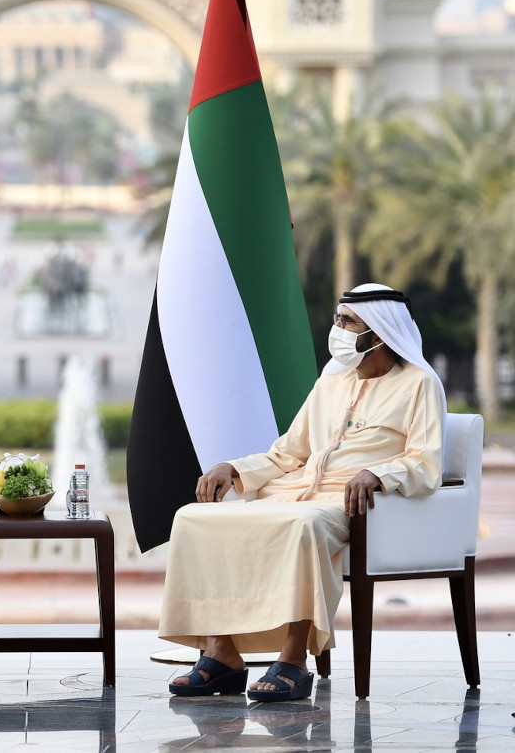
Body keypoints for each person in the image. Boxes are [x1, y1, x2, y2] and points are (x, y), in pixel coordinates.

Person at [159, 283, 445, 701]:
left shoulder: (419, 384)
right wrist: (233, 468)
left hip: (349, 503)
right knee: (196, 518)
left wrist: (377, 473)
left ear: (379, 333)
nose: (337, 329)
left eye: (347, 322)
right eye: (338, 319)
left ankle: (293, 659)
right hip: (292, 492)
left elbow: (426, 461)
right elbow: (287, 454)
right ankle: (221, 653)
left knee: (302, 524)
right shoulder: (329, 385)